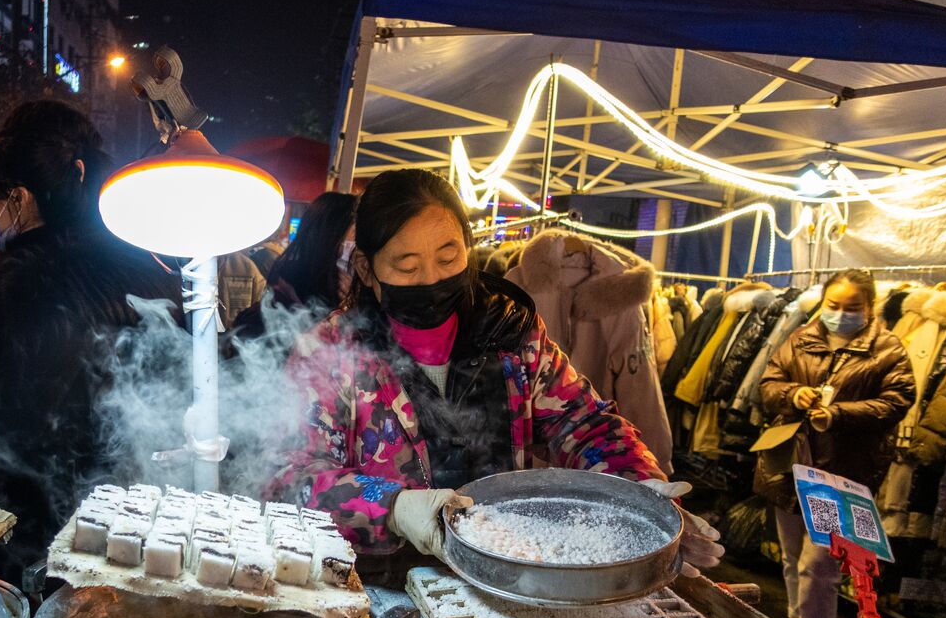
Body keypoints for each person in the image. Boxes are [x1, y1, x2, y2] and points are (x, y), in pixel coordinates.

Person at [270, 169, 723, 578]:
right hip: (383, 586)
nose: (431, 278)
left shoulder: (510, 331)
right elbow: (291, 475)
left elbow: (583, 424)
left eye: (448, 258)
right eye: (406, 267)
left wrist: (641, 492)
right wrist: (392, 506)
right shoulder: (331, 352)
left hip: (512, 573)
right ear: (368, 270)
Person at [0, 100, 183, 583]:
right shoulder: (148, 267)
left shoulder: (22, 288)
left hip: (41, 546)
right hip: (146, 533)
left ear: (20, 198)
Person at [758, 270, 914, 618]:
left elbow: (897, 401)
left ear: (870, 308)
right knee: (791, 558)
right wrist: (793, 395)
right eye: (833, 305)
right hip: (789, 467)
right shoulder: (800, 338)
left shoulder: (888, 349)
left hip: (840, 477)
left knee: (820, 567)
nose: (841, 314)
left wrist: (840, 414)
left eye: (852, 307)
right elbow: (768, 384)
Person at [230, 191, 357, 341]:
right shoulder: (290, 288)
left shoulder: (355, 290)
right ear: (331, 234)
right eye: (357, 234)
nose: (359, 248)